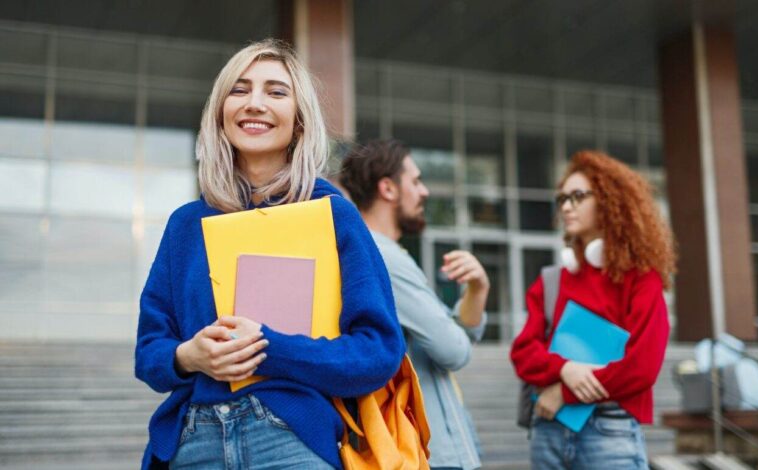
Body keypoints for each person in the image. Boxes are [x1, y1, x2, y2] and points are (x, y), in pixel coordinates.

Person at [134, 40, 405, 470]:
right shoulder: (186, 225)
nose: (255, 104)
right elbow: (149, 351)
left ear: (299, 122)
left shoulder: (332, 214)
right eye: (239, 90)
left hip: (290, 437)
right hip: (193, 442)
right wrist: (188, 355)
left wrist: (268, 348)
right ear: (221, 113)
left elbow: (378, 352)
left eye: (276, 92)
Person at [509, 150, 676, 469]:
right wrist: (565, 369)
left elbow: (642, 366)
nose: (566, 206)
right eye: (562, 199)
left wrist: (565, 392)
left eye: (578, 196)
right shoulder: (552, 280)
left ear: (610, 202)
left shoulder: (641, 278)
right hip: (548, 429)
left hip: (609, 432)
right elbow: (523, 352)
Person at [340, 139, 488, 470]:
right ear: (388, 188)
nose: (424, 192)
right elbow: (454, 349)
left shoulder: (371, 251)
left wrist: (477, 289)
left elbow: (456, 336)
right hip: (429, 451)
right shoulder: (383, 256)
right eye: (416, 181)